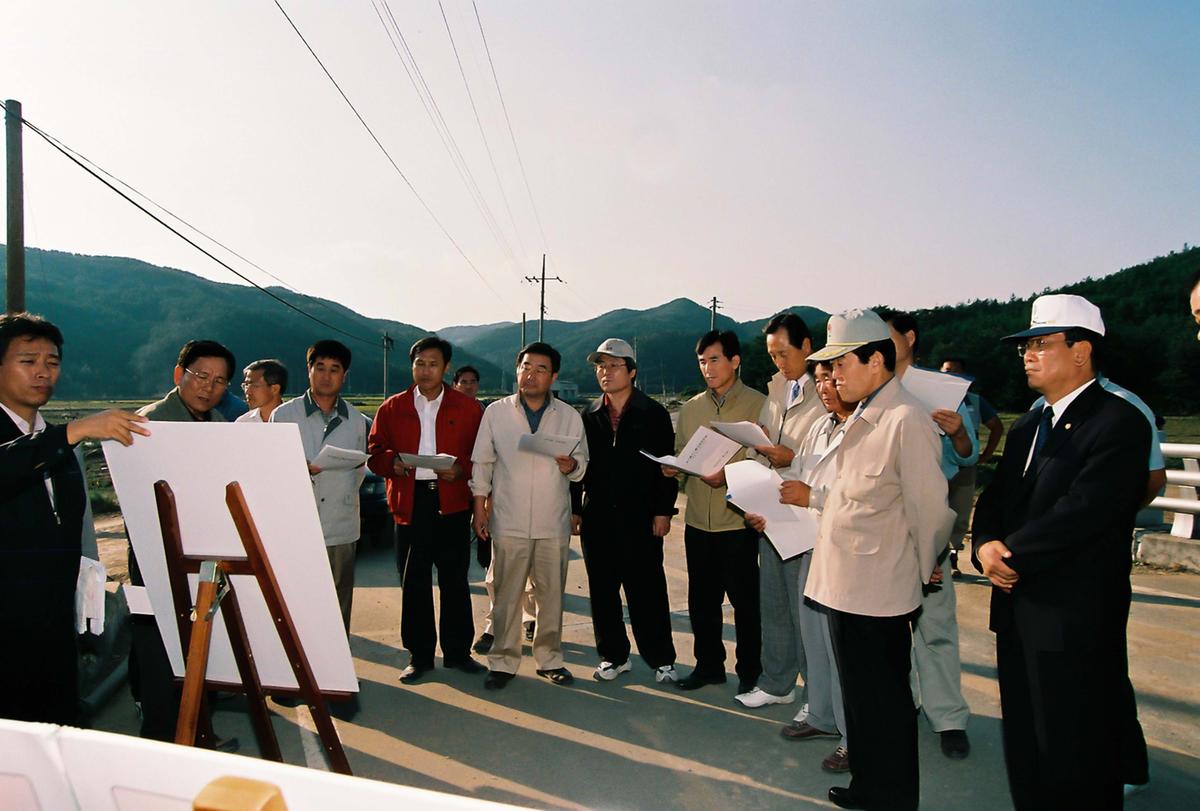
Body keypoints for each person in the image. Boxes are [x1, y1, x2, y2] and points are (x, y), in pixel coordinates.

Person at [972, 294, 1149, 810]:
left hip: (1075, 614)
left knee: (1078, 751)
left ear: (1081, 350)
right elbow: (997, 500)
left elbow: (1085, 511)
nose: (1027, 354)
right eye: (1025, 346)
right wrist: (984, 545)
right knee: (1026, 743)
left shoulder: (1119, 421)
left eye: (1041, 344)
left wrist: (1011, 556)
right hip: (1018, 608)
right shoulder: (1029, 425)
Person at [802, 309, 955, 811]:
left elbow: (930, 510)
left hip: (881, 591)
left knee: (886, 706)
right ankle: (868, 787)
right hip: (843, 584)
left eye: (841, 363)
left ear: (876, 359)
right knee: (861, 700)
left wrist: (922, 564)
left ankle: (892, 798)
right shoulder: (865, 413)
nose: (834, 375)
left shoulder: (904, 419)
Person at [0, 313, 149, 725]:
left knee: (53, 734)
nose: (43, 372)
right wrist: (72, 432)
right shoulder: (60, 440)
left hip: (54, 627)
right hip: (6, 629)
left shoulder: (60, 445)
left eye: (52, 362)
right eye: (28, 361)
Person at [747, 358, 856, 774]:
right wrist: (766, 511)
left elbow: (849, 491)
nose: (827, 386)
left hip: (846, 551)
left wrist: (808, 495)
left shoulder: (867, 428)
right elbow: (795, 479)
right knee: (815, 639)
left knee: (841, 646)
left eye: (833, 377)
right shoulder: (820, 427)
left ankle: (854, 736)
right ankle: (824, 718)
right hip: (810, 546)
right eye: (823, 378)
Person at [879, 309, 977, 760]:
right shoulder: (869, 388)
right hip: (881, 524)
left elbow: (966, 454)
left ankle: (948, 717)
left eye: (887, 335)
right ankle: (901, 706)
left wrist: (956, 434)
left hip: (927, 523)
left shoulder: (941, 392)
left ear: (910, 338)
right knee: (884, 627)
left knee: (935, 625)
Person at [130, 339, 237, 744]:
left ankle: (199, 736)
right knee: (161, 653)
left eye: (220, 381)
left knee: (201, 647)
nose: (209, 388)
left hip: (204, 552)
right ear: (179, 375)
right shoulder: (150, 424)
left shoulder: (218, 426)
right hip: (157, 553)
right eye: (201, 376)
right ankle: (163, 743)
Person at [470, 342, 588, 689]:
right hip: (509, 518)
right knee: (507, 594)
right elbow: (483, 463)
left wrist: (572, 465)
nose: (530, 375)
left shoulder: (568, 416)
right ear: (517, 369)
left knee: (550, 594)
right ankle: (503, 662)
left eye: (540, 369)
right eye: (525, 367)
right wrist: (480, 508)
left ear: (553, 376)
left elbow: (582, 466)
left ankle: (549, 659)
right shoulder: (497, 412)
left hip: (553, 521)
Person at [367, 337, 485, 682]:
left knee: (454, 580)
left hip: (451, 500)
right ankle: (419, 656)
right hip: (410, 501)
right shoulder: (392, 407)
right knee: (414, 581)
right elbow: (374, 453)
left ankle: (459, 653)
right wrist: (394, 463)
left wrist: (461, 469)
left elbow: (482, 455)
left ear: (446, 368)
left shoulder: (467, 407)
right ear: (412, 366)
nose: (425, 370)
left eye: (433, 363)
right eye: (420, 363)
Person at [664, 330, 766, 693]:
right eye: (702, 362)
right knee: (702, 602)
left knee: (746, 605)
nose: (707, 368)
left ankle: (751, 671)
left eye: (715, 360)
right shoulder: (692, 408)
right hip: (697, 522)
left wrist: (728, 476)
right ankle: (709, 666)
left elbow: (767, 461)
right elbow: (682, 451)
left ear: (735, 361)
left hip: (738, 522)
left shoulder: (759, 405)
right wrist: (673, 469)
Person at [573, 338, 678, 683]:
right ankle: (613, 655)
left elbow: (667, 468)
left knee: (647, 591)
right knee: (603, 592)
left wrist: (663, 511)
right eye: (600, 366)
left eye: (614, 365)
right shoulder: (587, 416)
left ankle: (661, 658)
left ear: (631, 371)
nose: (605, 371)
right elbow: (577, 467)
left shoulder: (654, 414)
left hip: (641, 517)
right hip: (598, 516)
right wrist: (575, 509)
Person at [737, 313, 826, 709]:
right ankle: (777, 683)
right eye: (772, 355)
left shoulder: (826, 393)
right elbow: (765, 443)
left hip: (806, 513)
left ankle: (817, 693)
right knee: (772, 603)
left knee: (804, 608)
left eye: (784, 353)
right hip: (772, 509)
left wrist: (790, 456)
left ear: (807, 347)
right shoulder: (775, 392)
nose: (779, 363)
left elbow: (828, 458)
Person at [271, 340, 368, 635]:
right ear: (309, 371)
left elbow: (360, 471)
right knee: (295, 603)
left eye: (334, 369)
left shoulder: (357, 420)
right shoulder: (283, 416)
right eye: (320, 368)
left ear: (344, 375)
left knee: (338, 601)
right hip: (297, 525)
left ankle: (336, 676)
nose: (326, 375)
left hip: (341, 525)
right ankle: (301, 674)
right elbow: (272, 468)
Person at [938, 357, 1005, 577]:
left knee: (960, 511)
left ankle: (953, 556)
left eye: (955, 372)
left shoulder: (975, 401)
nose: (950, 376)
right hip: (937, 465)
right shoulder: (932, 399)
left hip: (965, 467)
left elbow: (996, 426)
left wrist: (985, 454)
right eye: (946, 371)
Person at [236, 359, 288, 423]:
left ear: (275, 389)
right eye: (246, 385)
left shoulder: (296, 419)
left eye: (254, 386)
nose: (247, 392)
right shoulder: (242, 423)